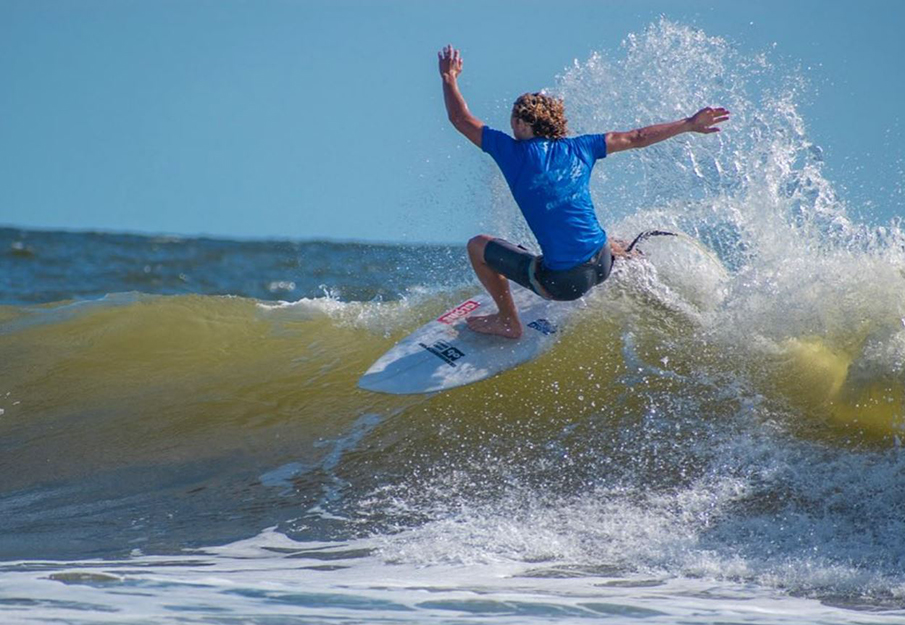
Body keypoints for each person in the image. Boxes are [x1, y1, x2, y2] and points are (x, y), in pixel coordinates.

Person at [437, 44, 729, 339]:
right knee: (600, 236)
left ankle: (508, 321)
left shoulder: (511, 152)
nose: (510, 126)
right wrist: (689, 123)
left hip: (563, 284)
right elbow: (637, 137)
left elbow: (460, 119)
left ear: (524, 124)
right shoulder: (581, 147)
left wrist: (449, 78)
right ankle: (629, 256)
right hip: (601, 264)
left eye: (514, 120)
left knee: (478, 245)